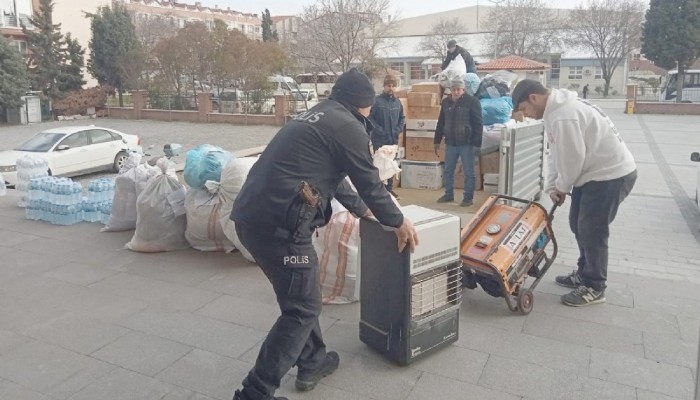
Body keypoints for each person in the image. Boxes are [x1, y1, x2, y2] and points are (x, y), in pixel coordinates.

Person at [229, 68, 419, 400]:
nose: (371, 111)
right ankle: (254, 393)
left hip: (251, 218)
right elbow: (370, 183)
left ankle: (312, 361)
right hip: (280, 228)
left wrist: (360, 210)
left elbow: (336, 175)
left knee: (301, 297)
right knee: (302, 307)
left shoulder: (317, 115)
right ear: (363, 103)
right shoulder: (348, 127)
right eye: (369, 106)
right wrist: (397, 221)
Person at [511, 79, 637, 307]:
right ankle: (584, 272)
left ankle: (595, 286)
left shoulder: (564, 115)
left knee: (592, 230)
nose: (526, 115)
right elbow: (554, 154)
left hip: (610, 175)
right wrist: (552, 186)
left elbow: (572, 159)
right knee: (576, 223)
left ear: (534, 98)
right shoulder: (553, 113)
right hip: (592, 175)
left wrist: (562, 186)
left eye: (523, 109)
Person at [433, 78, 483, 207]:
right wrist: (437, 141)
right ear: (450, 90)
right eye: (453, 89)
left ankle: (468, 198)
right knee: (448, 170)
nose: (456, 92)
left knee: (469, 172)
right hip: (450, 143)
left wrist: (477, 143)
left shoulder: (472, 102)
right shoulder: (445, 103)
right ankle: (448, 194)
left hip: (467, 143)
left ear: (463, 90)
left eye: (458, 89)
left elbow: (478, 124)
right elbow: (441, 123)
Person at [369, 74, 405, 200]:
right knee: (379, 166)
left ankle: (389, 190)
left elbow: (402, 118)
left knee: (389, 165)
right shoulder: (377, 101)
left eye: (393, 86)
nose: (391, 88)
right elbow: (370, 118)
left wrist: (398, 130)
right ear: (384, 86)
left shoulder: (397, 102)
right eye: (389, 85)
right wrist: (379, 130)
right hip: (379, 140)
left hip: (392, 140)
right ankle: (380, 191)